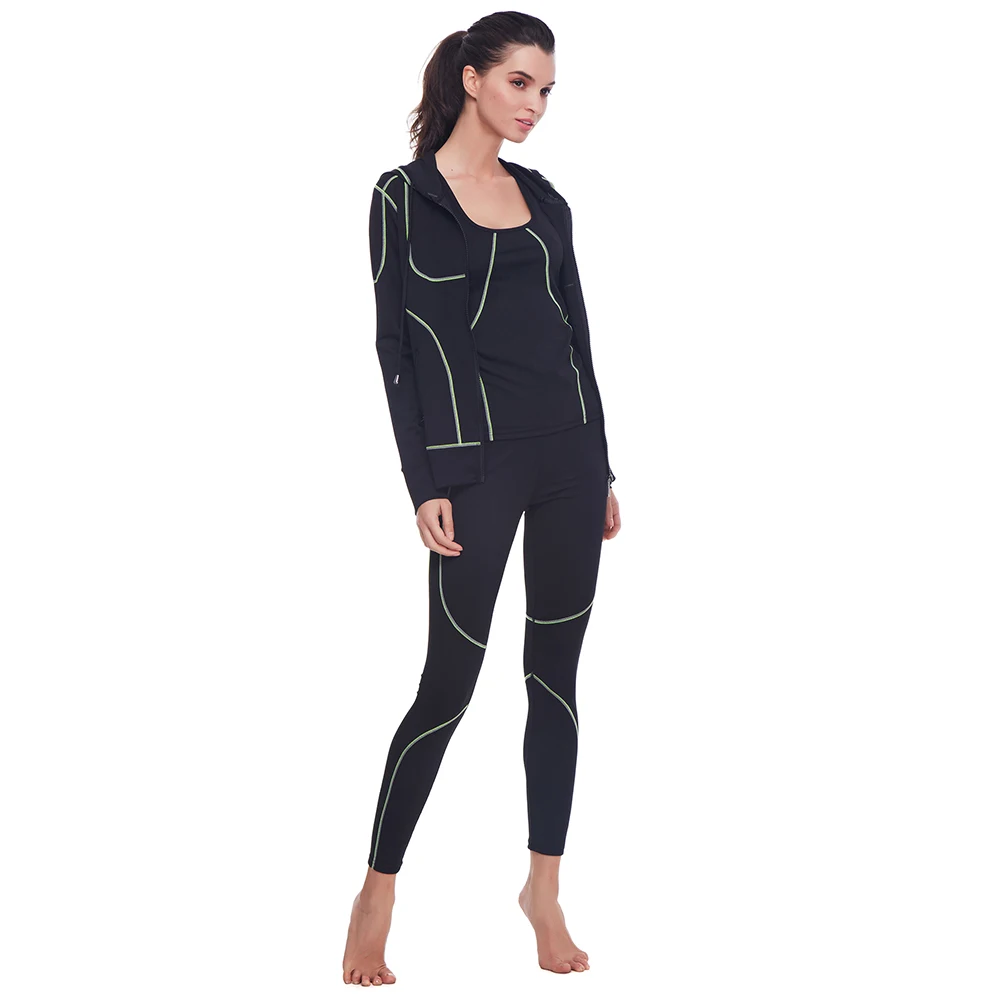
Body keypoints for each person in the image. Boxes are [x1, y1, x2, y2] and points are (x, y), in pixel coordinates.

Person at [343, 12, 622, 986]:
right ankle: (377, 892)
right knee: (448, 684)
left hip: (570, 458)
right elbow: (395, 350)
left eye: (546, 90)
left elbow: (577, 332)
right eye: (519, 83)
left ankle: (544, 889)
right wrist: (425, 483)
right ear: (472, 78)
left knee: (555, 678)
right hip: (476, 472)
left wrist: (605, 467)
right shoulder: (403, 196)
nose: (535, 105)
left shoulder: (545, 199)